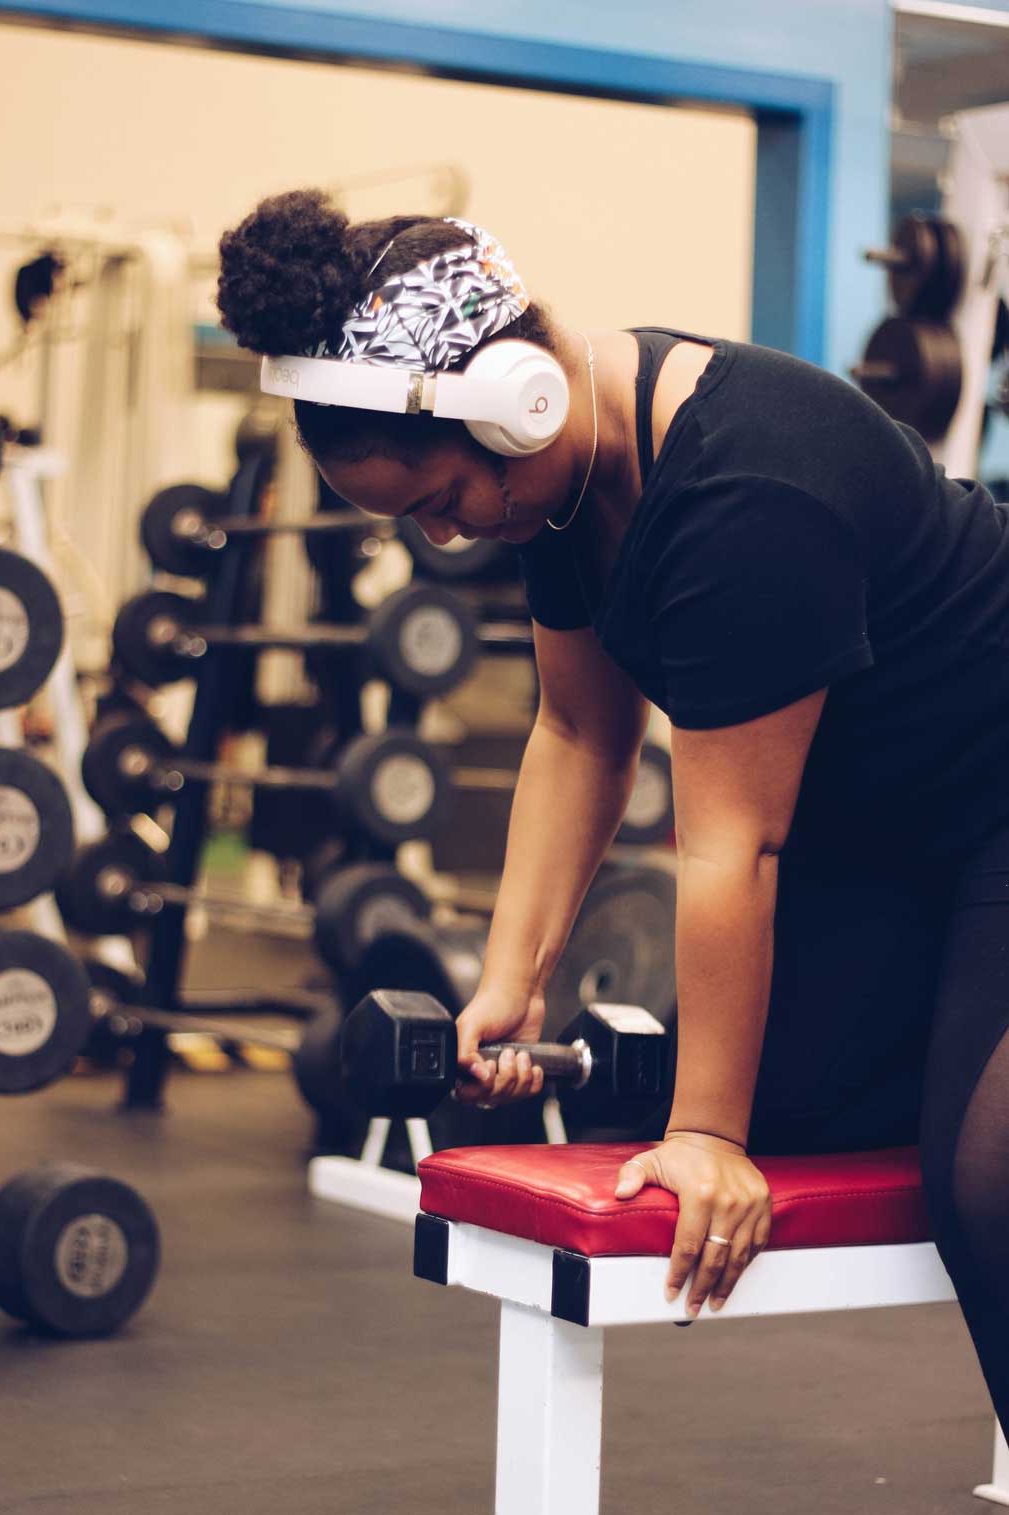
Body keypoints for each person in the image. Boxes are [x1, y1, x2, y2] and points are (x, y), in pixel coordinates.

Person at [217, 189, 1009, 1433]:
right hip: (894, 830)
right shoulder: (559, 487)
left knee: (984, 1174)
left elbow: (729, 846)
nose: (441, 536)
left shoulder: (748, 488)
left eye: (437, 501)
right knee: (796, 1113)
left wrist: (705, 1129)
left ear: (516, 397)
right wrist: (507, 980)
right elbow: (580, 730)